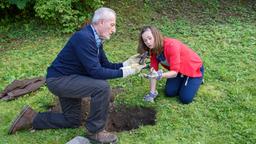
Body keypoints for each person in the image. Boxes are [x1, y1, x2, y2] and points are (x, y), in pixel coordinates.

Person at [8, 7, 145, 143]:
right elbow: (96, 72)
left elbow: (104, 65)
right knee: (102, 87)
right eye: (112, 25)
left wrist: (127, 63)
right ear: (101, 22)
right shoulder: (85, 38)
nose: (114, 30)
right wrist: (127, 72)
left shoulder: (95, 40)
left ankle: (30, 118)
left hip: (69, 80)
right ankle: (95, 132)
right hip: (60, 81)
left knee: (72, 120)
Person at [138, 26, 204, 104]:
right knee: (169, 92)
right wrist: (152, 93)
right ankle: (185, 81)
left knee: (185, 98)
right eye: (145, 40)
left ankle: (198, 79)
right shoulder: (153, 51)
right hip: (178, 70)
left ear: (156, 35)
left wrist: (160, 75)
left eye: (150, 38)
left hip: (193, 68)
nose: (148, 42)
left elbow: (174, 73)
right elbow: (153, 72)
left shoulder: (171, 45)